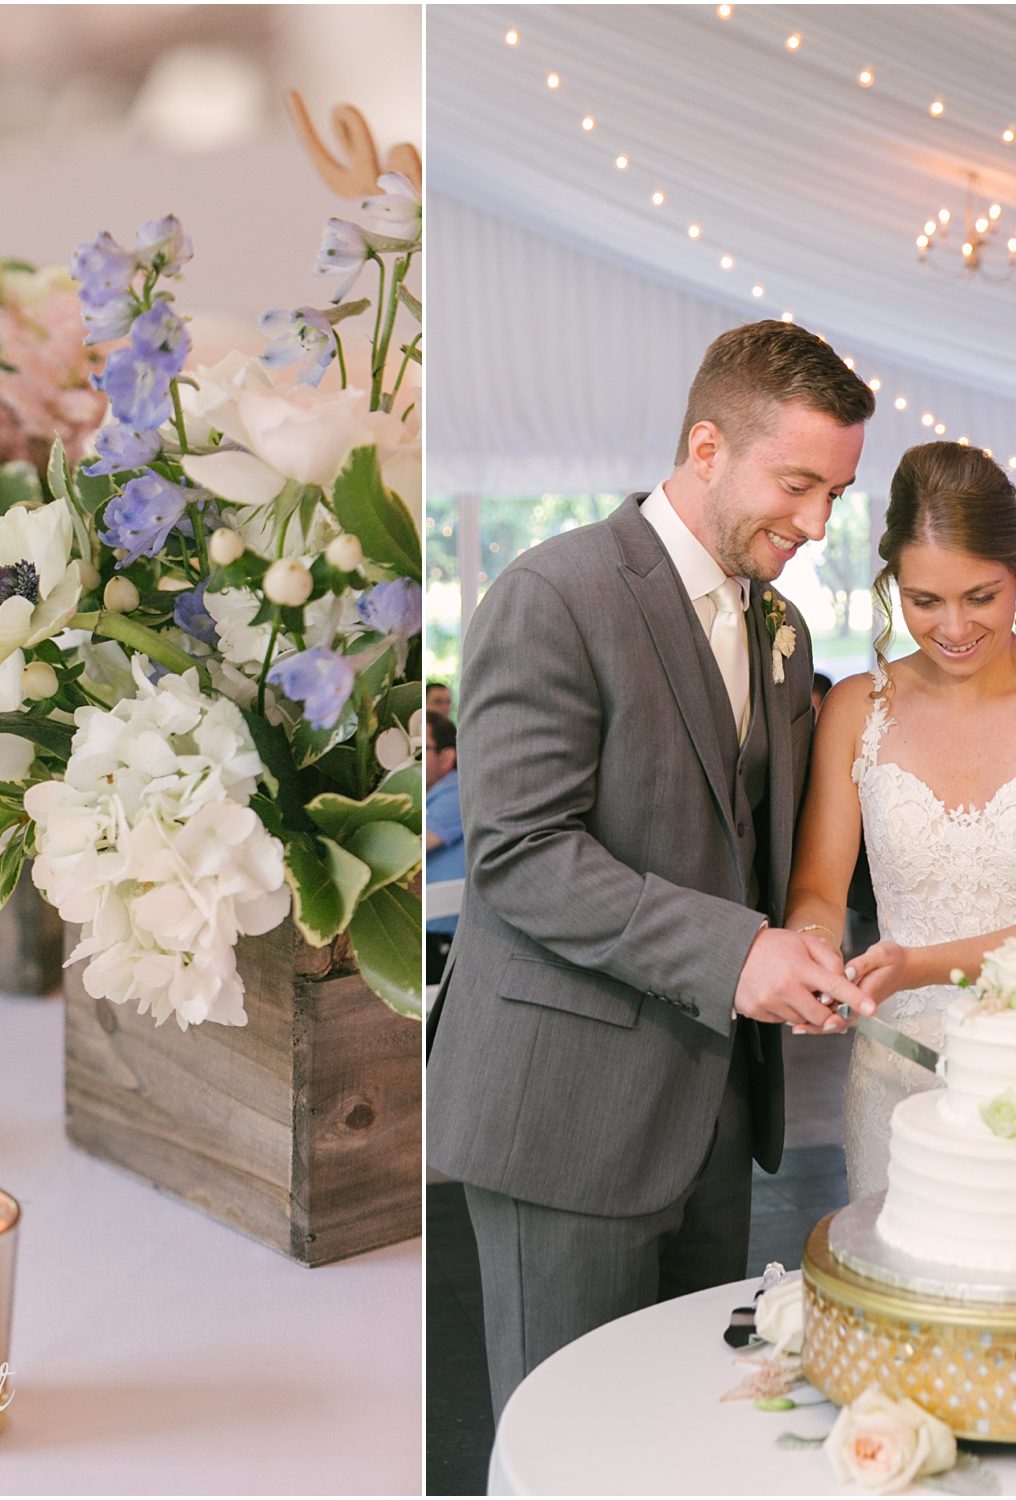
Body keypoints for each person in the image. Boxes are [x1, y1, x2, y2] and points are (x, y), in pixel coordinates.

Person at [426, 320, 879, 1419]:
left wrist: (803, 940)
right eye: (797, 484)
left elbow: (739, 846)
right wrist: (737, 954)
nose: (816, 523)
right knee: (568, 1442)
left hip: (712, 1107)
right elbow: (522, 857)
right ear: (706, 444)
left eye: (834, 494)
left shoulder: (782, 628)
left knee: (680, 1441)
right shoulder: (555, 594)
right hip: (566, 1113)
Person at [784, 442, 1016, 1198]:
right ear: (893, 586)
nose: (953, 627)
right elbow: (817, 888)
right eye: (924, 601)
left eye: (981, 597)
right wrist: (815, 958)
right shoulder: (857, 708)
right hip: (896, 1067)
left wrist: (917, 965)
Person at [424, 711, 463, 985]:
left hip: (439, 938)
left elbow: (413, 848)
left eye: (423, 748)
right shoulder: (433, 794)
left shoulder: (455, 793)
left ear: (447, 757)